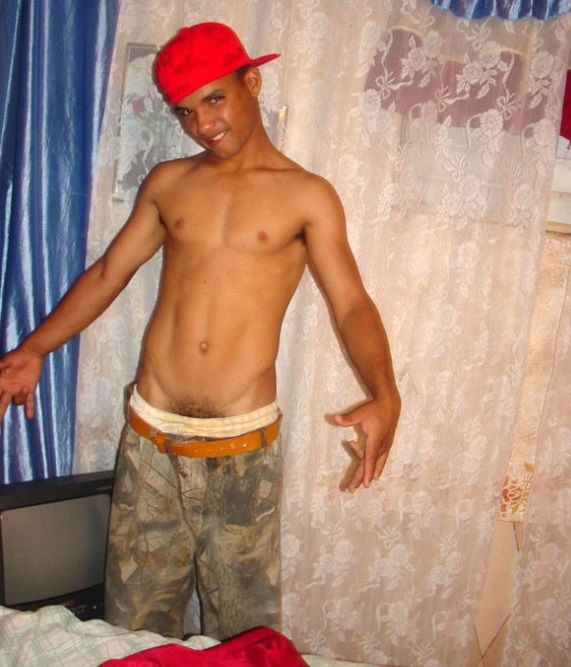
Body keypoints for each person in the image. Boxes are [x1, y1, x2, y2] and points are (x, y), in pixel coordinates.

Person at [0, 22, 400, 640]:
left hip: (243, 449)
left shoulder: (307, 196)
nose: (203, 124)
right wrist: (33, 349)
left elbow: (351, 303)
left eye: (215, 99)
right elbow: (108, 273)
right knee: (133, 629)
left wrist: (384, 392)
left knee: (246, 635)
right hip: (150, 441)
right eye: (186, 111)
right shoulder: (169, 182)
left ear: (252, 82)